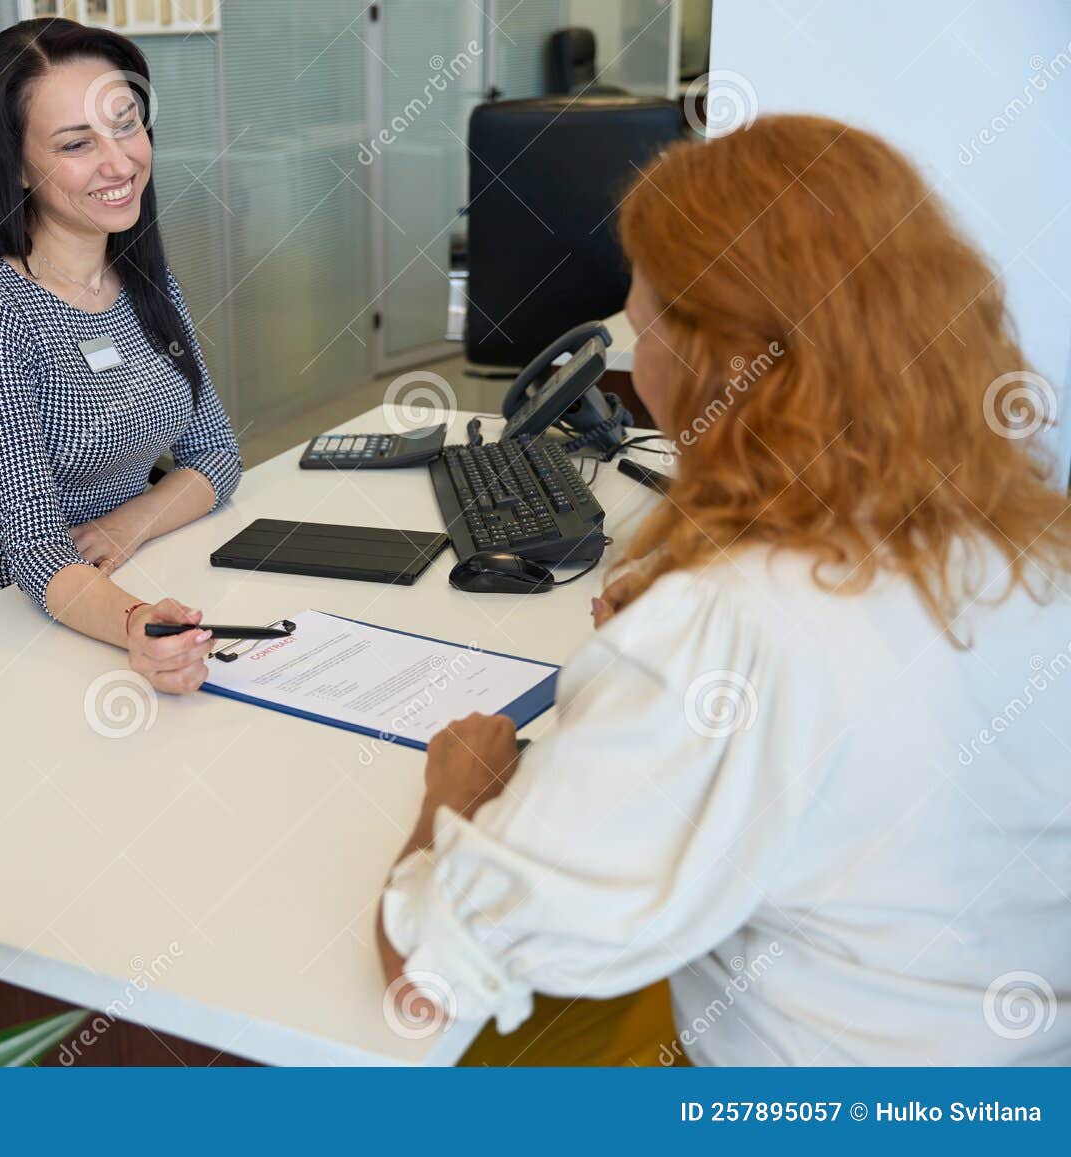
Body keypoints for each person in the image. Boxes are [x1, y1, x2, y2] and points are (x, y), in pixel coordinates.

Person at [377, 114, 1071, 1065]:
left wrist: (454, 796)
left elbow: (425, 981)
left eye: (642, 329)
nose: (634, 361)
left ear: (718, 364)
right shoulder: (1035, 548)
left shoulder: (729, 628)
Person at [0, 18, 241, 695]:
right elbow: (38, 552)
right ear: (14, 165)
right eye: (76, 144)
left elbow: (216, 455)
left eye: (126, 126)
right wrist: (137, 625)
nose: (120, 164)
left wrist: (127, 525)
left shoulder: (143, 279)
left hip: (116, 585)